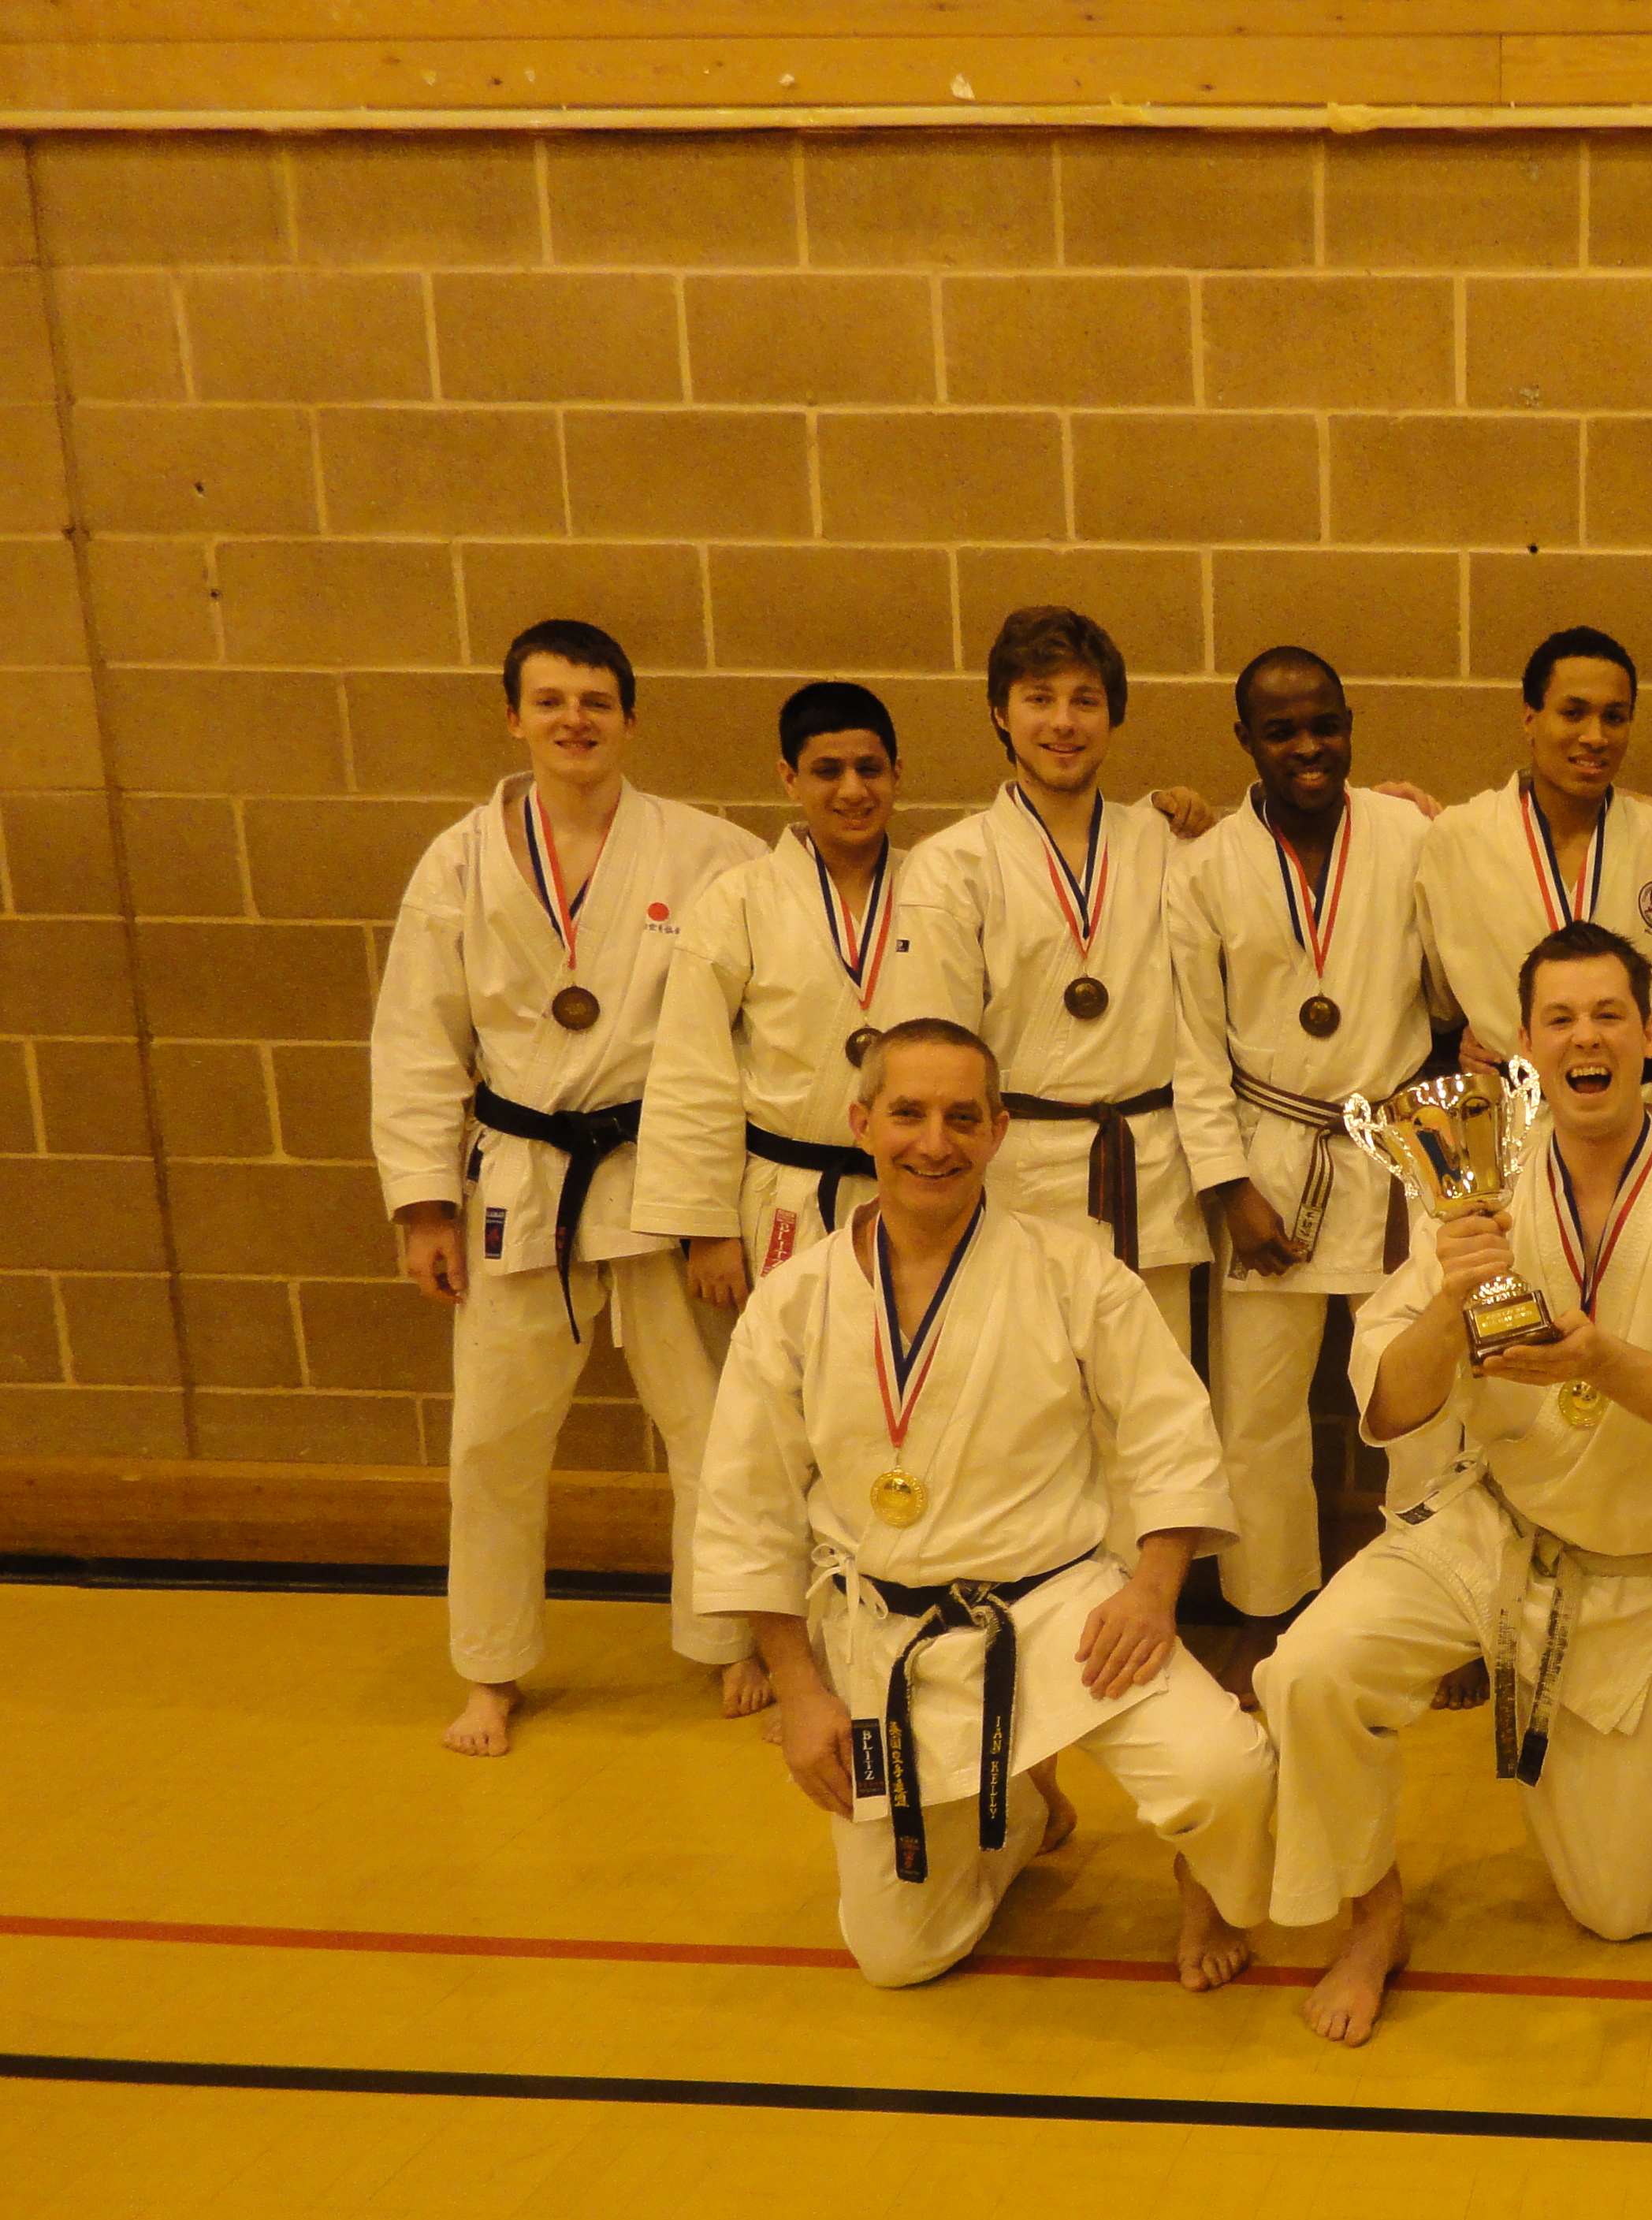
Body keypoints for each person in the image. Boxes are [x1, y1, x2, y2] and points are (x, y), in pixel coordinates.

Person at [1256, 920, 1652, 2047]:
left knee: (1623, 1909)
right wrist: (1450, 1299)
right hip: (1491, 1530)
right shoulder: (1474, 1185)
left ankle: (1619, 1774)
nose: (1585, 1037)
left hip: (1643, 1576)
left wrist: (1602, 1362)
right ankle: (1372, 1916)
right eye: (1559, 1019)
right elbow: (1390, 1403)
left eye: (1609, 1014)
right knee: (1311, 1670)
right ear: (1526, 1047)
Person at [694, 1020, 1276, 1990]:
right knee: (899, 1957)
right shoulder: (792, 1302)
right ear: (862, 1124)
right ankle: (1025, 1811)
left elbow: (1170, 1429)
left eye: (963, 1118)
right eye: (908, 1114)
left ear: (999, 1131)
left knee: (1226, 1775)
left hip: (1060, 1613)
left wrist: (1153, 1589)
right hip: (889, 1638)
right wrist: (799, 1688)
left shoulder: (1071, 1270)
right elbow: (745, 1506)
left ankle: (1202, 1877)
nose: (936, 1142)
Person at [368, 619, 766, 1758]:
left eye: (595, 701)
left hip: (665, 1175)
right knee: (494, 1443)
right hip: (520, 1178)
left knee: (715, 1430)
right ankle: (490, 1670)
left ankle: (732, 1638)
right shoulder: (458, 863)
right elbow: (417, 1037)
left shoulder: (711, 853)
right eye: (550, 701)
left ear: (630, 719)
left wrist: (722, 1201)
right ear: (514, 718)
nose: (574, 720)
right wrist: (423, 1203)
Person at [1170, 646, 1436, 1630]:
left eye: (1325, 725)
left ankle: (1432, 1606)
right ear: (1246, 739)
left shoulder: (1410, 835)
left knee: (1422, 1395)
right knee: (1258, 1411)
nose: (1308, 747)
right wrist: (1227, 1185)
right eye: (1281, 731)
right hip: (1271, 1154)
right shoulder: (1204, 867)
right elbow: (1191, 1042)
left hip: (1399, 1149)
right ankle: (1268, 1613)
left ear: (1351, 724)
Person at [887, 605, 1214, 1350]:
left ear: (1113, 716)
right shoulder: (951, 864)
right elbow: (934, 1055)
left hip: (1147, 1172)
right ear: (1000, 714)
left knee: (1154, 1402)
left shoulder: (1165, 843)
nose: (1063, 722)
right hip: (1017, 1180)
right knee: (1023, 1399)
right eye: (1040, 698)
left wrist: (1392, 808)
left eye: (1085, 700)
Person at [638, 680, 912, 1310]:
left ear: (897, 773)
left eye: (869, 769)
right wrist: (706, 1226)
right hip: (786, 1194)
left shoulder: (939, 888)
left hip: (913, 1191)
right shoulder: (738, 899)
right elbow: (692, 1067)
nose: (852, 790)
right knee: (786, 1366)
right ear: (790, 779)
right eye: (827, 771)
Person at [1415, 626, 1652, 1068]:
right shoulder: (1457, 841)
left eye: (1615, 717)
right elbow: (1436, 1006)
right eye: (1573, 713)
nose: (1595, 736)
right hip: (1507, 1098)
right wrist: (1461, 1046)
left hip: (1631, 1095)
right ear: (1530, 719)